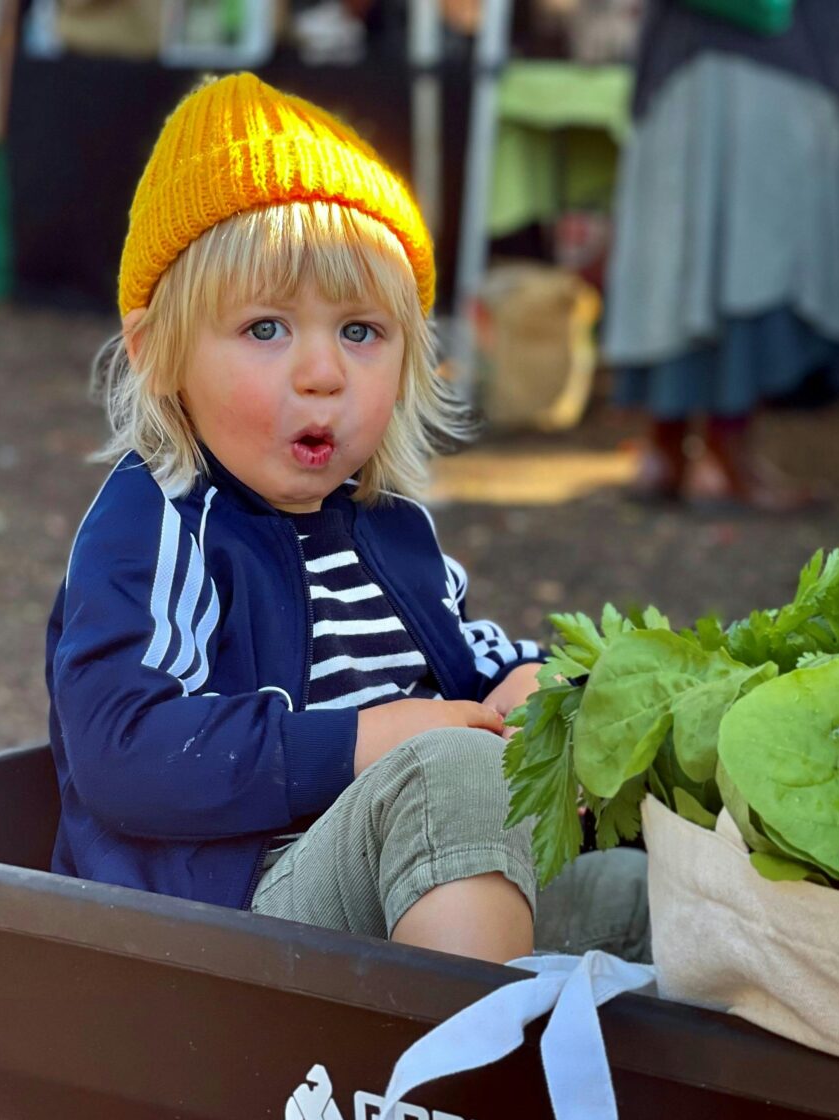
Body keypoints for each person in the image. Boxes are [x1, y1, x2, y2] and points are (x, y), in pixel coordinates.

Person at [45, 73, 648, 965]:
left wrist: (534, 692)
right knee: (446, 773)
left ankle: (559, 1061)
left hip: (402, 888)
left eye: (361, 332)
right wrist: (370, 737)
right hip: (232, 917)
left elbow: (472, 661)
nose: (322, 372)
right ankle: (465, 1092)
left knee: (663, 893)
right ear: (156, 353)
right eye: (265, 329)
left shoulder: (387, 526)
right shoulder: (165, 520)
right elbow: (122, 745)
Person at [602, 0, 839, 511]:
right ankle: (724, 457)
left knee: (680, 252)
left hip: (684, 55)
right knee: (749, 251)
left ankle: (666, 451)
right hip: (778, 54)